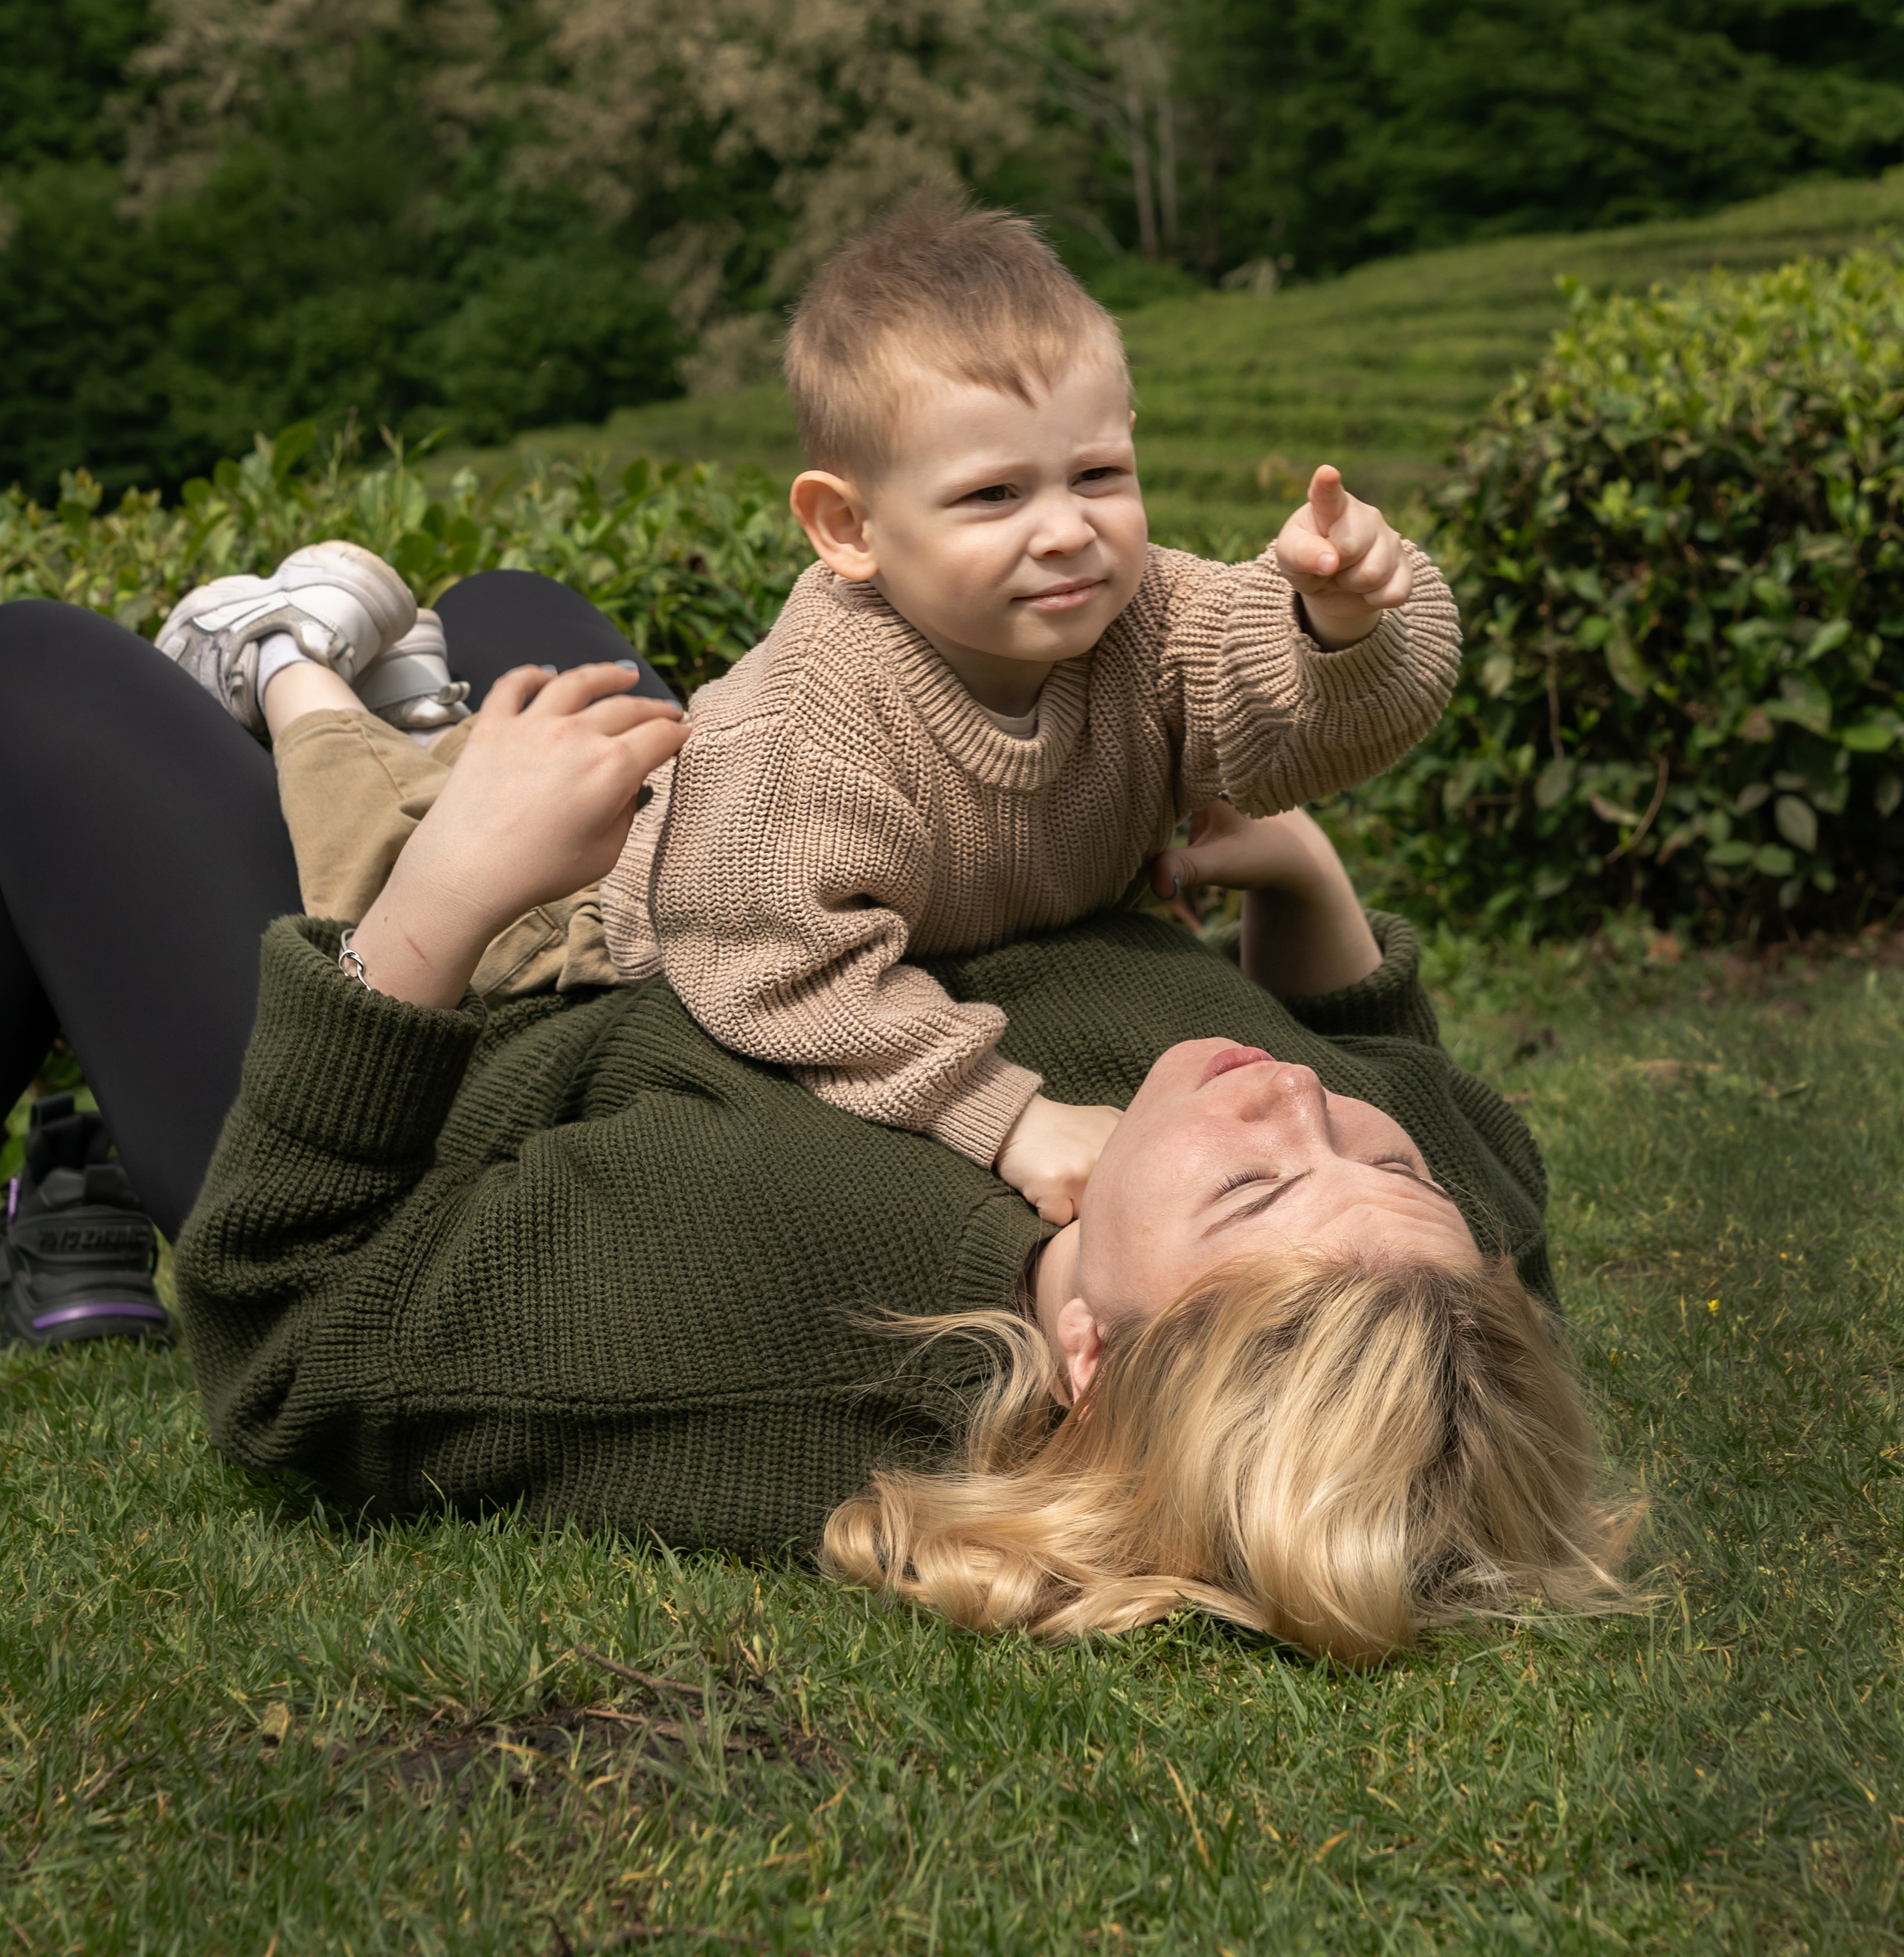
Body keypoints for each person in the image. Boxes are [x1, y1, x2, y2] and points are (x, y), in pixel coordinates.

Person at [0, 580, 1632, 1659]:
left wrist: (448, 891)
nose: (1297, 1102)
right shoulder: (1430, 1250)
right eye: (1375, 1158)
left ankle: (100, 1141)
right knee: (513, 615)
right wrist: (1302, 886)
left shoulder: (793, 1314)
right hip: (736, 907)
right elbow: (1395, 1080)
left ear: (1092, 1357)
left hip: (464, 1023)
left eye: (1253, 1188)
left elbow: (299, 1348)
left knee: (41, 683)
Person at [599, 196, 1464, 1226]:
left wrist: (1339, 622)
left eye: (1096, 475)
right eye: (994, 495)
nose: (1065, 531)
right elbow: (772, 964)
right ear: (848, 526)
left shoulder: (1151, 617)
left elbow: (1298, 721)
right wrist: (1005, 1118)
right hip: (666, 942)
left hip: (986, 949)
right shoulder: (805, 730)